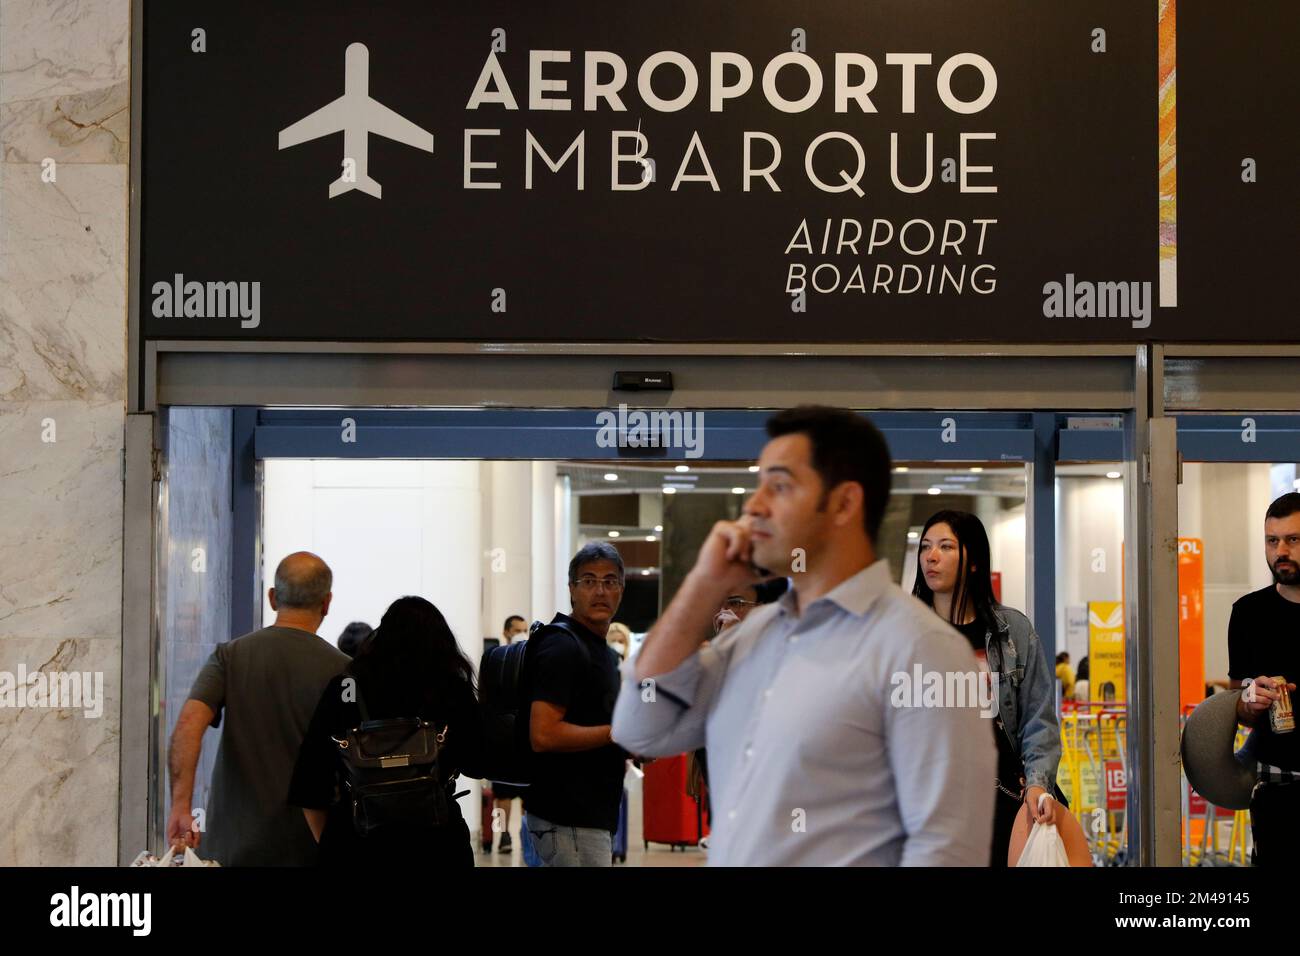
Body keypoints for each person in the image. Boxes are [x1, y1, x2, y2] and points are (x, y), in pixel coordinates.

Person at [612, 406, 995, 866]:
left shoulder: (922, 650)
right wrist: (703, 586)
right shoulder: (754, 637)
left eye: (779, 485)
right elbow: (639, 728)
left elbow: (945, 850)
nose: (754, 506)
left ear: (844, 504)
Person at [166, 552, 348, 865]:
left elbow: (188, 726)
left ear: (273, 597)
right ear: (327, 602)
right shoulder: (345, 673)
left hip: (232, 850)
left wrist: (181, 806)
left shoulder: (230, 657)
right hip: (313, 851)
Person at [912, 510, 1063, 868]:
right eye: (926, 547)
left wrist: (1039, 785)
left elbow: (1039, 721)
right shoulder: (902, 631)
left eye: (946, 546)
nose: (931, 556)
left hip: (1002, 805)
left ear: (974, 562)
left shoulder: (1013, 633)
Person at [287, 596, 483, 866]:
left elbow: (309, 784)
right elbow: (476, 760)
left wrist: (335, 845)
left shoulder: (347, 689)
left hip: (357, 843)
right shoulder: (451, 689)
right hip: (437, 845)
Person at [522, 542, 630, 867]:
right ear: (572, 589)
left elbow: (593, 724)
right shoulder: (562, 646)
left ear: (621, 590)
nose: (600, 591)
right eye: (589, 581)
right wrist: (615, 733)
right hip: (568, 817)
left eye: (610, 581)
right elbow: (543, 734)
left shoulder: (601, 651)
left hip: (589, 816)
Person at [1228, 492, 1300, 865]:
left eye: (1293, 539)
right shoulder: (1247, 614)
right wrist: (1249, 702)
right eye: (1273, 541)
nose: (1281, 550)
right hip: (1277, 789)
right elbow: (1236, 706)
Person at [488, 614, 529, 854]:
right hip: (503, 736)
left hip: (525, 736)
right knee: (501, 796)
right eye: (517, 630)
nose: (521, 633)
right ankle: (502, 835)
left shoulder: (532, 658)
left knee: (527, 796)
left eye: (524, 629)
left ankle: (526, 837)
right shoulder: (495, 659)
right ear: (506, 632)